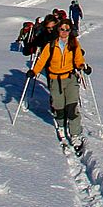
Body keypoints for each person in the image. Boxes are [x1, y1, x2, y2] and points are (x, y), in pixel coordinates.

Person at [27, 20, 92, 149]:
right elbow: (42, 60)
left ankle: (75, 134)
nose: (64, 32)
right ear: (58, 30)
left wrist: (82, 66)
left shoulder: (74, 44)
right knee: (59, 106)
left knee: (72, 106)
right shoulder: (51, 45)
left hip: (70, 78)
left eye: (67, 29)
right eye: (62, 29)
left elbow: (78, 59)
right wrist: (34, 71)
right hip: (55, 79)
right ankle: (61, 128)